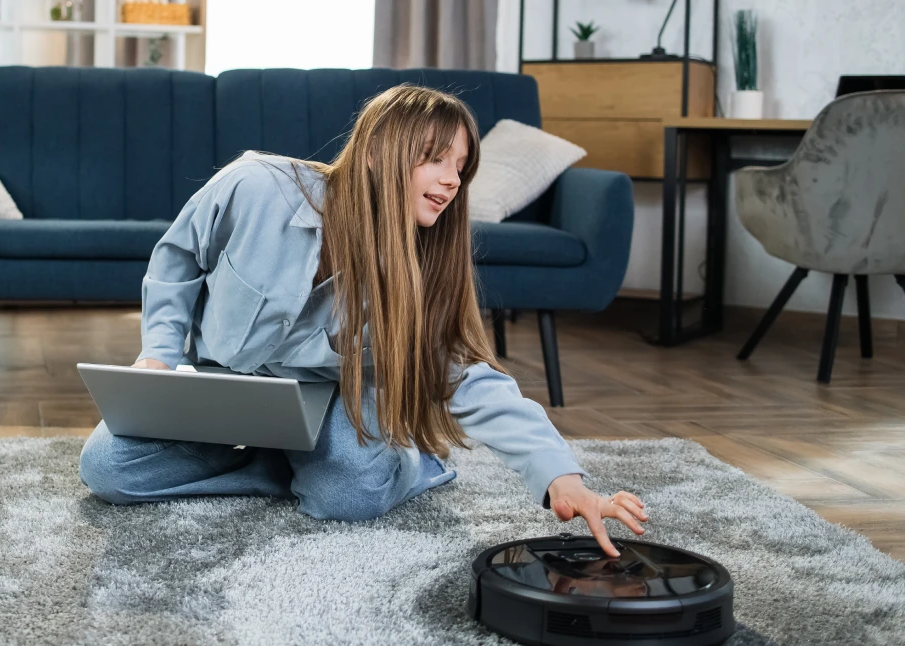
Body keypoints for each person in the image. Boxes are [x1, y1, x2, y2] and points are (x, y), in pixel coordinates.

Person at [78, 84, 648, 558]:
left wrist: (562, 480)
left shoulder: (420, 275)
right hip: (221, 389)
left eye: (461, 167)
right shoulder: (253, 187)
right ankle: (287, 464)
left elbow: (470, 378)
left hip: (331, 403)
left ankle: (409, 464)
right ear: (377, 151)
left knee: (346, 498)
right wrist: (156, 355)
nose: (453, 180)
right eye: (435, 158)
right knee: (108, 469)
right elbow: (178, 257)